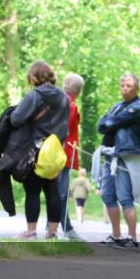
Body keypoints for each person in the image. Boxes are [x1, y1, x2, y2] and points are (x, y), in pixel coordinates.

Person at [10, 61, 70, 239]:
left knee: (33, 191)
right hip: (55, 150)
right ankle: (52, 233)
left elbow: (16, 119)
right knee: (53, 192)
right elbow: (65, 125)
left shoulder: (35, 95)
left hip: (35, 149)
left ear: (34, 77)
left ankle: (31, 232)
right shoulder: (63, 97)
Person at [97, 73, 140, 251]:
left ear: (137, 88)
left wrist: (109, 122)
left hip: (126, 156)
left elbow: (113, 121)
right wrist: (109, 122)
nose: (125, 88)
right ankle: (116, 236)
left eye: (129, 85)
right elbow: (101, 125)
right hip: (109, 154)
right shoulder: (117, 106)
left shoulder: (139, 107)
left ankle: (132, 240)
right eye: (122, 85)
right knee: (108, 196)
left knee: (125, 198)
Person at [58, 73, 84, 240]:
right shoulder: (70, 106)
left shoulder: (56, 101)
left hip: (53, 154)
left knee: (57, 191)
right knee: (61, 192)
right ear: (78, 91)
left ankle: (53, 227)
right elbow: (64, 130)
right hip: (63, 154)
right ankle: (65, 228)